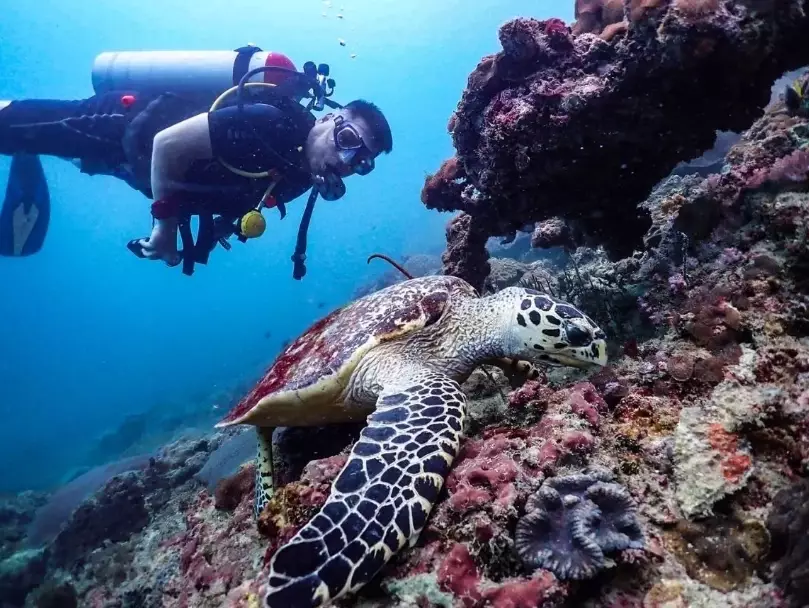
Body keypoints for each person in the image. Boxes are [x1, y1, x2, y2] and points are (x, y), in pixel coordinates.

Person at [0, 49, 393, 277]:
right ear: (327, 118)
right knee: (17, 126)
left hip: (136, 168)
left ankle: (32, 155)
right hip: (122, 124)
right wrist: (165, 229)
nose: (345, 161)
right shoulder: (270, 120)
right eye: (347, 141)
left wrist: (220, 226)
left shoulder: (300, 175)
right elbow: (167, 143)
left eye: (361, 163)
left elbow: (244, 194)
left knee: (61, 150)